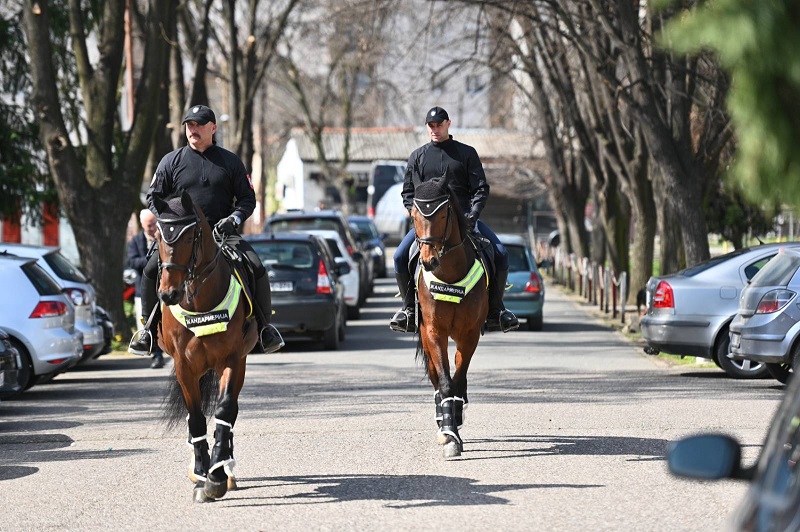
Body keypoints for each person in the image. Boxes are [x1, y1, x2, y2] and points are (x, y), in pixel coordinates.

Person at [128, 104, 284, 356]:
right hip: (179, 237)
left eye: (199, 125)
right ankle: (146, 329)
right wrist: (169, 224)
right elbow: (153, 197)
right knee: (149, 269)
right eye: (189, 125)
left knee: (256, 265)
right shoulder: (171, 161)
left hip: (222, 233)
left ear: (213, 128)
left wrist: (234, 218)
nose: (193, 129)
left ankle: (266, 329)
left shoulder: (230, 162)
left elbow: (248, 199)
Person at [389, 106, 519, 333]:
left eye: (439, 125)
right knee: (400, 256)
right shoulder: (417, 156)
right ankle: (408, 310)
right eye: (431, 126)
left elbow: (481, 189)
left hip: (464, 221)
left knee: (501, 253)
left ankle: (497, 310)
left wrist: (472, 217)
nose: (435, 130)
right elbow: (407, 193)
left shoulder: (466, 153)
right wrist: (414, 213)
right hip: (428, 226)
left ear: (448, 123)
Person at [127, 209, 165, 368]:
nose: (153, 227)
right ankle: (155, 354)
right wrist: (150, 261)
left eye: (155, 224)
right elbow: (133, 262)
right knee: (147, 323)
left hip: (164, 287)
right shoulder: (136, 241)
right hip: (144, 290)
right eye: (149, 225)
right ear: (142, 225)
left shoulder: (164, 237)